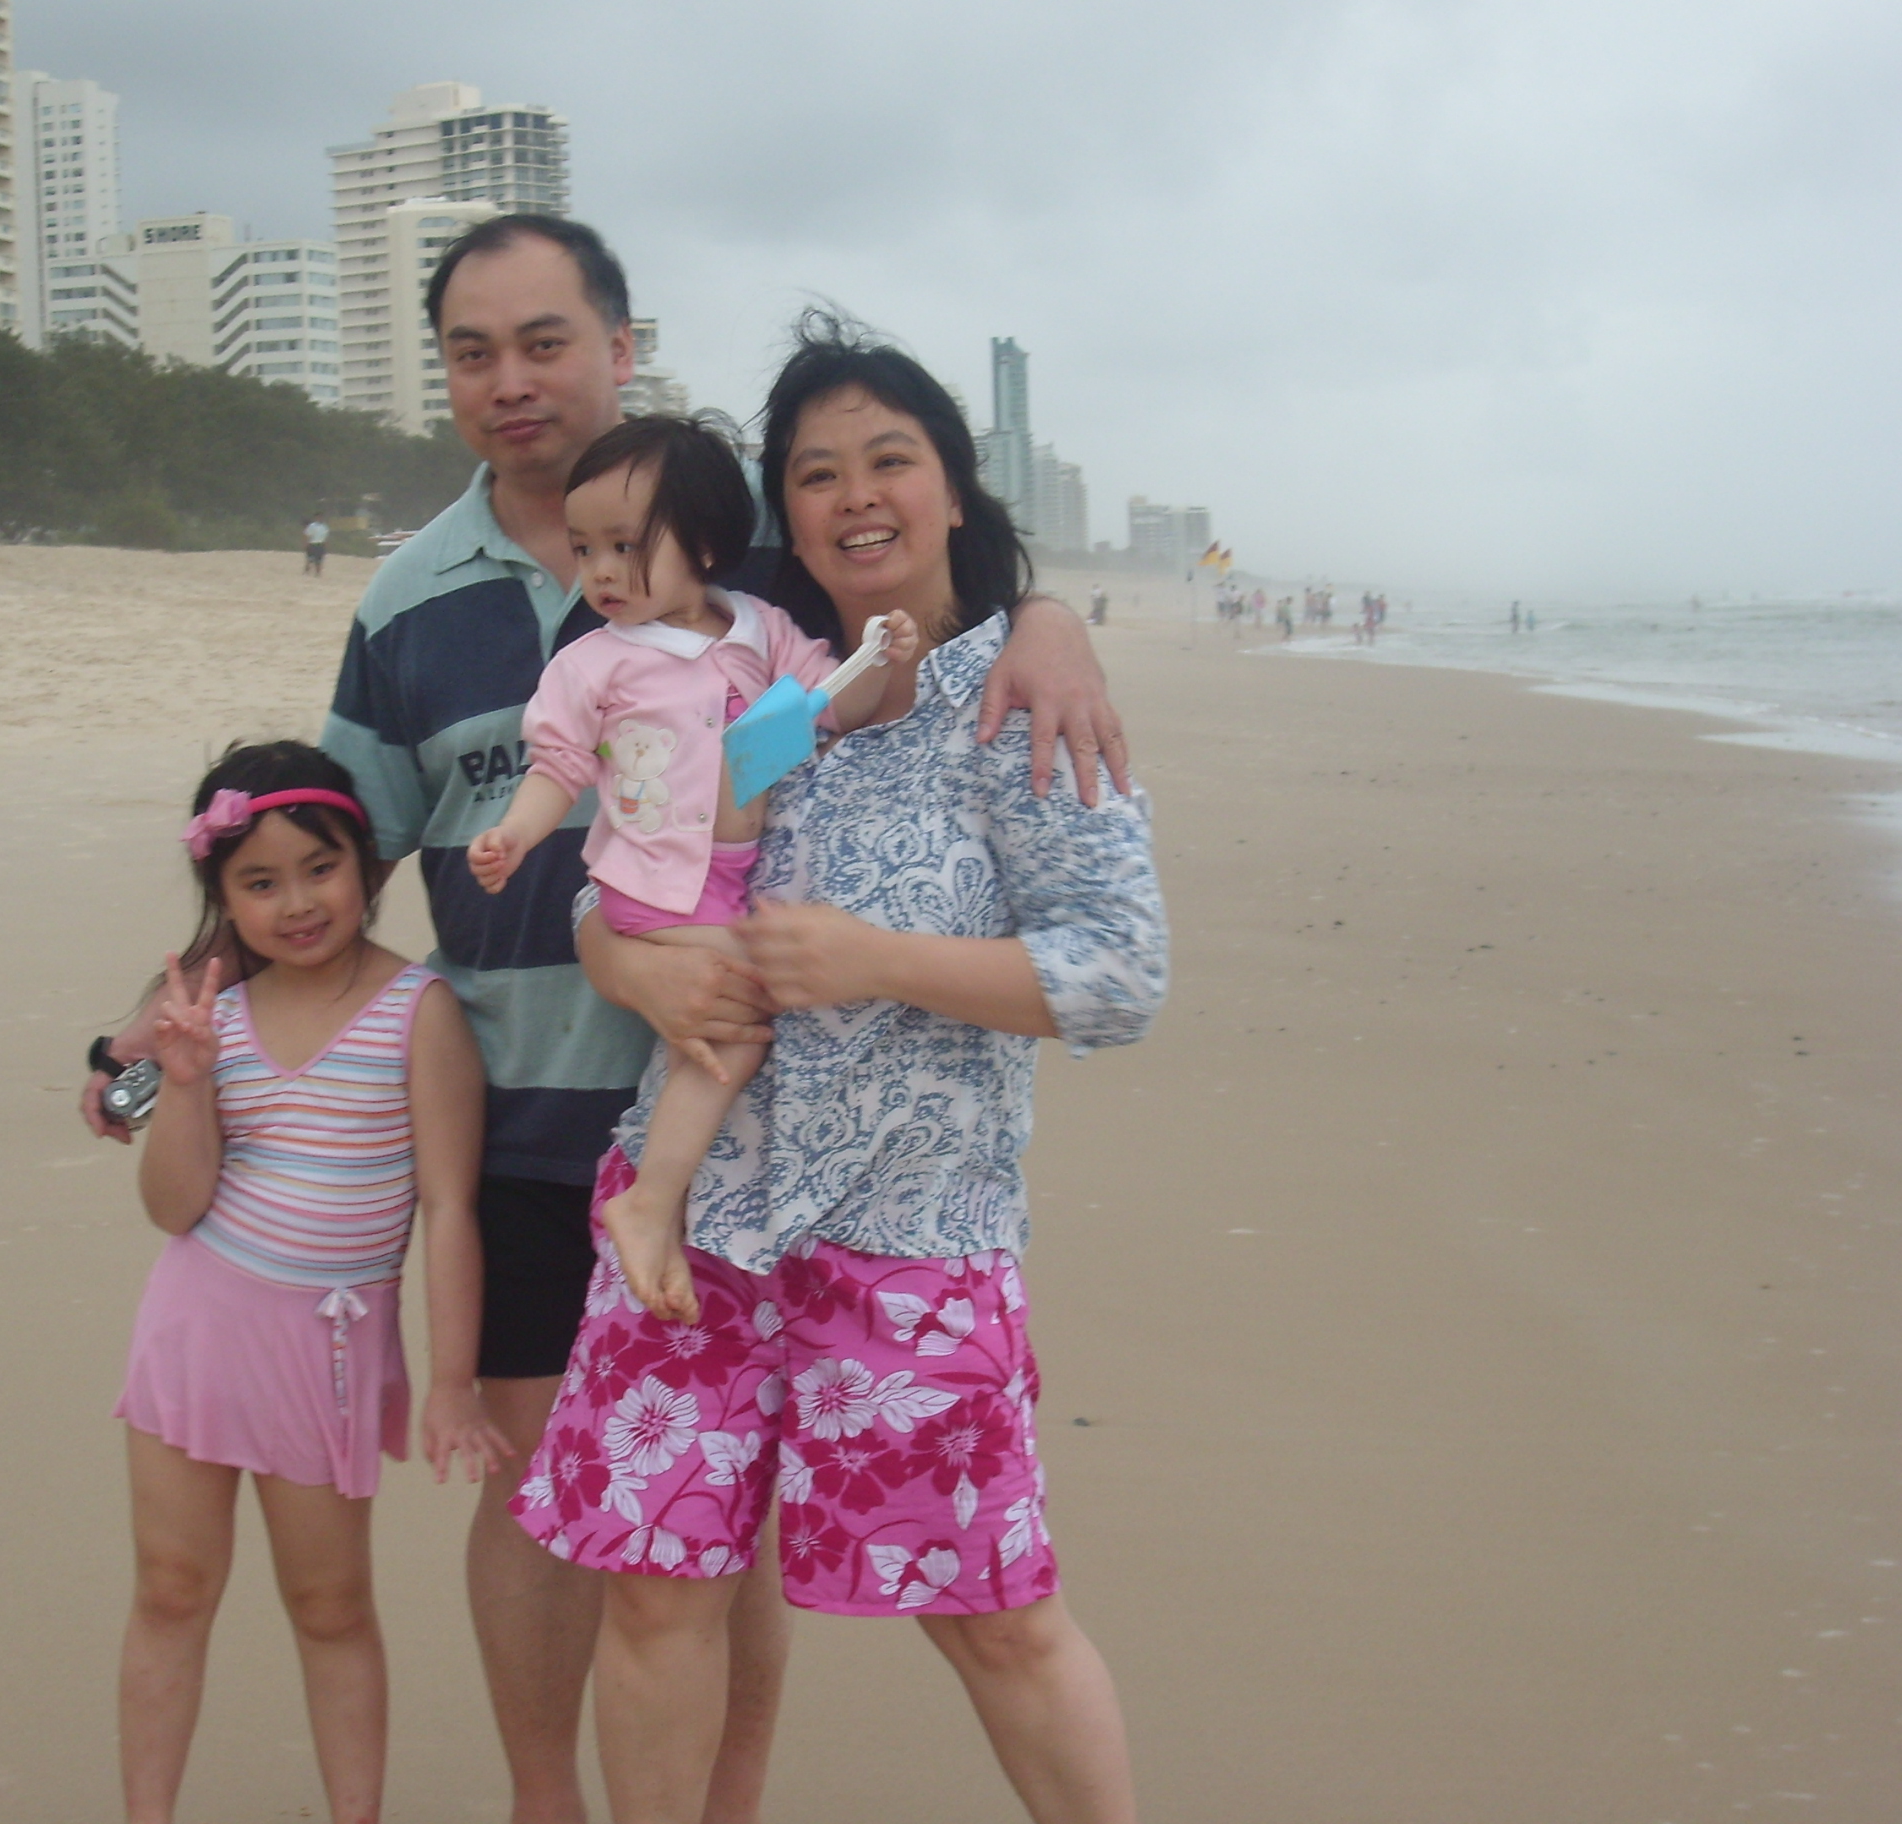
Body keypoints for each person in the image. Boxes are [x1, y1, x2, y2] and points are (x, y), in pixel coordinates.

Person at [84, 214, 1128, 1824]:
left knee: (716, 1535)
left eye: (545, 341)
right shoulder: (411, 598)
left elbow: (923, 607)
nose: (509, 378)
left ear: (619, 347)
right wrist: (150, 1039)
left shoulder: (751, 550)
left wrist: (1054, 623)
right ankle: (542, 1803)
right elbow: (318, 844)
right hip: (514, 1110)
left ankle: (726, 1804)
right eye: (472, 351)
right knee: (549, 1501)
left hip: (752, 1138)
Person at [513, 318, 1167, 1824]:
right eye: (818, 473)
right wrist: (615, 959)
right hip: (692, 1223)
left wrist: (878, 959)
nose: (857, 495)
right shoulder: (762, 685)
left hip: (911, 1239)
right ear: (785, 515)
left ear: (953, 487)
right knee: (653, 1596)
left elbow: (1122, 972)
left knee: (994, 1615)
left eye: (891, 459)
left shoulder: (1023, 692)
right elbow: (641, 863)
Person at [114, 740, 506, 1824]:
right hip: (196, 1330)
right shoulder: (218, 1019)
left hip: (325, 1351)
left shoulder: (417, 1010)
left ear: (367, 867)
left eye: (319, 869)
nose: (296, 903)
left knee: (330, 1605)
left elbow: (449, 1208)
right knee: (171, 1589)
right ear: (223, 898)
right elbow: (172, 1208)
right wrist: (182, 1084)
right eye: (260, 882)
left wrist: (452, 1382)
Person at [469, 415, 915, 1325]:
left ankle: (664, 1210)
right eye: (585, 548)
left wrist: (882, 657)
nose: (599, 571)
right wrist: (514, 833)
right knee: (739, 1025)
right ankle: (649, 1205)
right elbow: (558, 766)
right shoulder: (594, 662)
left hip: (731, 873)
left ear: (705, 545)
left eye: (626, 546)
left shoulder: (760, 627)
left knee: (706, 1040)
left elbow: (833, 701)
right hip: (654, 887)